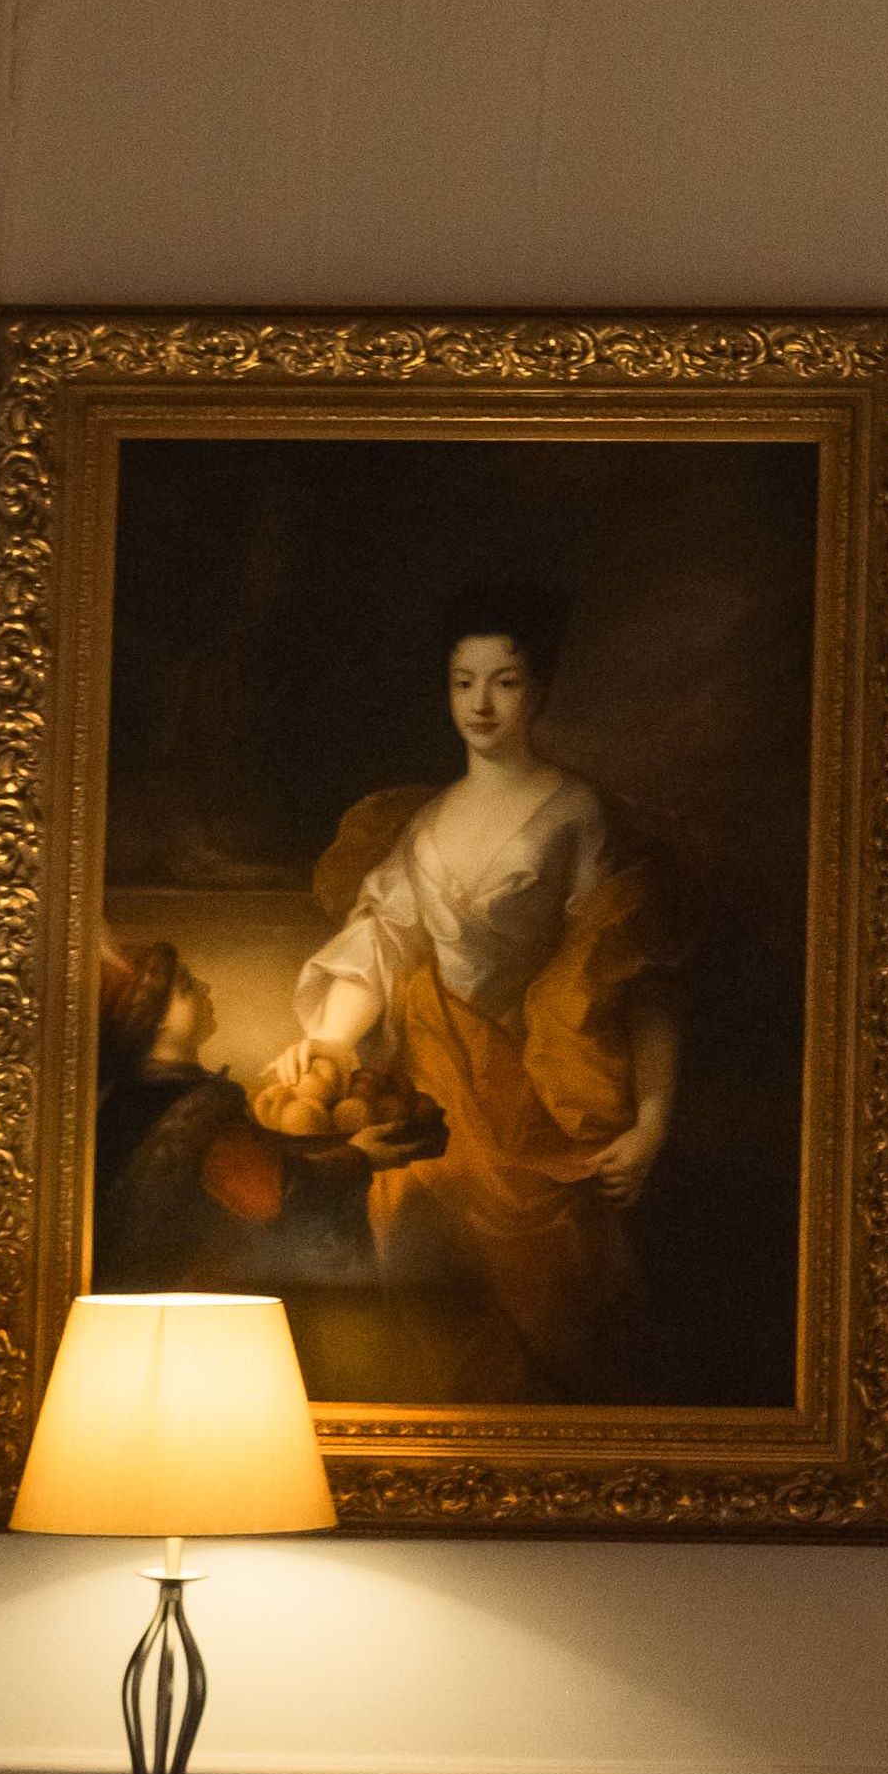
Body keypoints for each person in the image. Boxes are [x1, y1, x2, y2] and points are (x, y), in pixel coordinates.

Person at [249, 580, 681, 1399]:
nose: (481, 703)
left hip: (538, 1106)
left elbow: (631, 971)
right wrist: (334, 1047)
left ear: (541, 688)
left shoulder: (576, 815)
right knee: (434, 1317)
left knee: (562, 1323)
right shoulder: (425, 823)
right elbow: (380, 943)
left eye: (505, 680)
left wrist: (654, 1119)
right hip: (433, 1107)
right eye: (463, 681)